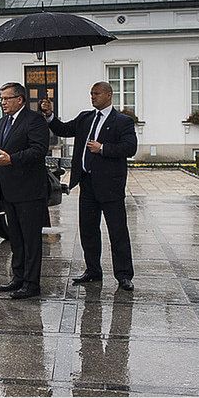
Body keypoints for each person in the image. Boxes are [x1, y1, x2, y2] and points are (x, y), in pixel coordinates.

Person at [39, 81, 137, 291]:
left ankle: (124, 275)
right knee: (88, 230)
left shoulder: (122, 121)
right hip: (87, 183)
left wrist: (103, 148)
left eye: (97, 93)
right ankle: (93, 270)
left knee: (117, 232)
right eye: (91, 93)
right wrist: (49, 115)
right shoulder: (86, 117)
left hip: (110, 186)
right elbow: (63, 129)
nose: (92, 97)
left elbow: (130, 148)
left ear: (109, 95)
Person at [0, 82, 49, 299]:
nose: (3, 103)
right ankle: (18, 277)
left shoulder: (35, 121)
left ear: (20, 99)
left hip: (29, 191)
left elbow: (38, 151)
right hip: (9, 190)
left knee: (30, 239)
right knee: (16, 238)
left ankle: (31, 284)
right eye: (1, 99)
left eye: (6, 99)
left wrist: (12, 160)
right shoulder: (2, 122)